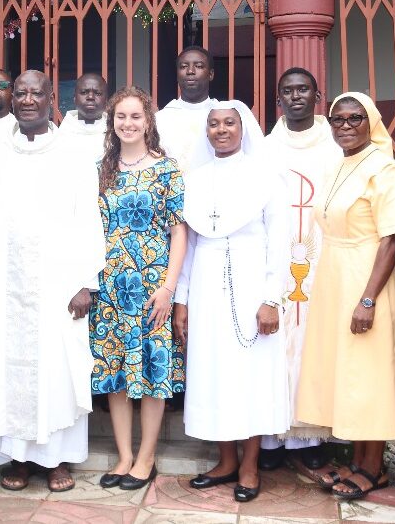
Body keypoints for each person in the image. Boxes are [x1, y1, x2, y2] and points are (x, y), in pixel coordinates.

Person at [0, 70, 105, 493]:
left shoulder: (72, 153)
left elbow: (88, 218)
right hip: (4, 287)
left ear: (53, 98)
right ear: (12, 99)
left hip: (58, 286)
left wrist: (85, 282)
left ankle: (57, 461)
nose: (28, 99)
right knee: (7, 369)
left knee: (59, 371)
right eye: (21, 92)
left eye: (37, 92)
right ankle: (15, 459)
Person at [295, 92, 395, 500]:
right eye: (337, 119)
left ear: (372, 121)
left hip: (368, 277)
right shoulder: (340, 165)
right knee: (349, 372)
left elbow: (392, 237)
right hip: (336, 276)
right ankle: (360, 461)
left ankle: (374, 468)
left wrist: (368, 299)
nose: (344, 125)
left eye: (354, 118)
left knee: (369, 372)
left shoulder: (384, 169)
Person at [174, 101, 290, 502]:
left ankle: (250, 465)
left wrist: (271, 299)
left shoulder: (266, 175)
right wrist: (182, 300)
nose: (220, 130)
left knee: (250, 373)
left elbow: (280, 242)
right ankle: (225, 461)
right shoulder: (195, 178)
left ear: (244, 129)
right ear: (205, 131)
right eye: (213, 124)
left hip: (251, 283)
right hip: (206, 286)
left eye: (228, 123)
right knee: (214, 372)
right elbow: (187, 247)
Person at [91, 87, 187, 491]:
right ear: (112, 123)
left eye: (135, 116)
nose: (127, 123)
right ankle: (124, 456)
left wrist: (168, 288)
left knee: (151, 370)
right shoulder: (101, 169)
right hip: (110, 285)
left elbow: (179, 232)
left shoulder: (167, 169)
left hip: (152, 286)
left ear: (148, 121)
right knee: (115, 373)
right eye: (120, 117)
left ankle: (146, 457)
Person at [261, 67, 341, 472]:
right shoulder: (265, 147)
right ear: (279, 100)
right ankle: (273, 436)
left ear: (317, 95)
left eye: (303, 89)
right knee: (275, 341)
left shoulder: (335, 146)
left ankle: (311, 436)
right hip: (279, 254)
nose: (296, 96)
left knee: (314, 339)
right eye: (287, 91)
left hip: (321, 254)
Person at [156, 46, 219, 169]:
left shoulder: (223, 115)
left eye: (199, 66)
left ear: (210, 74)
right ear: (177, 74)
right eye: (184, 66)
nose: (190, 71)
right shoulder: (160, 119)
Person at [56, 73, 108, 163]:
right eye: (84, 92)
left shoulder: (115, 132)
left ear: (106, 100)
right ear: (74, 99)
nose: (90, 97)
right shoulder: (59, 135)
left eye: (98, 93)